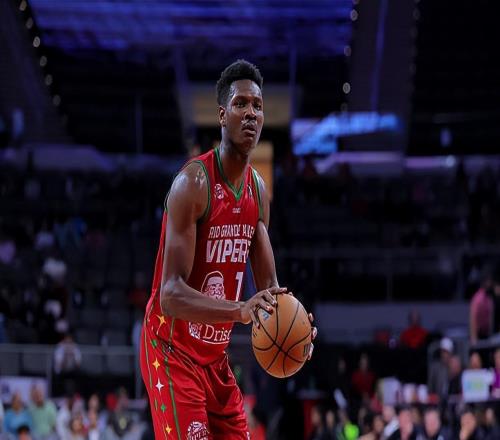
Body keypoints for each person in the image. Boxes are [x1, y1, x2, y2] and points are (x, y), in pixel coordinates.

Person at [139, 59, 317, 439]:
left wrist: (296, 328)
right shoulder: (193, 183)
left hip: (214, 358)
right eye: (241, 104)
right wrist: (239, 310)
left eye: (258, 106)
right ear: (222, 115)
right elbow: (169, 294)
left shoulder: (258, 192)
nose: (251, 113)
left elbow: (271, 293)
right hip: (171, 350)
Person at [469, 265, 494, 344]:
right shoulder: (478, 298)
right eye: (489, 281)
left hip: (487, 333)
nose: (490, 283)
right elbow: (473, 319)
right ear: (484, 282)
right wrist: (474, 338)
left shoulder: (489, 297)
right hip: (479, 334)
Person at [427, 338, 453, 402]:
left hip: (452, 400)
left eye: (446, 352)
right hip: (437, 400)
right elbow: (430, 387)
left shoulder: (455, 366)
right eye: (442, 352)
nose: (444, 354)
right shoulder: (435, 368)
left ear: (451, 353)